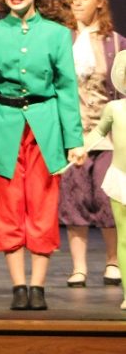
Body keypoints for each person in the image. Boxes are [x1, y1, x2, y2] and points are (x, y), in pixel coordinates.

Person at [0, 0, 85, 310]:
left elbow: (66, 89)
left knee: (42, 205)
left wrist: (74, 139)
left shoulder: (56, 34)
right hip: (3, 123)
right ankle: (18, 286)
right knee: (6, 207)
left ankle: (38, 287)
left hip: (44, 127)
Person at [60, 0, 122, 288]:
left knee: (107, 195)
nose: (78, 2)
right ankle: (79, 266)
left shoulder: (117, 43)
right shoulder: (64, 41)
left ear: (100, 1)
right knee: (74, 199)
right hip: (75, 132)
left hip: (109, 134)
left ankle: (113, 261)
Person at [77, 51, 126, 309]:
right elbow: (97, 132)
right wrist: (80, 148)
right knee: (125, 238)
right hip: (121, 179)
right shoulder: (115, 108)